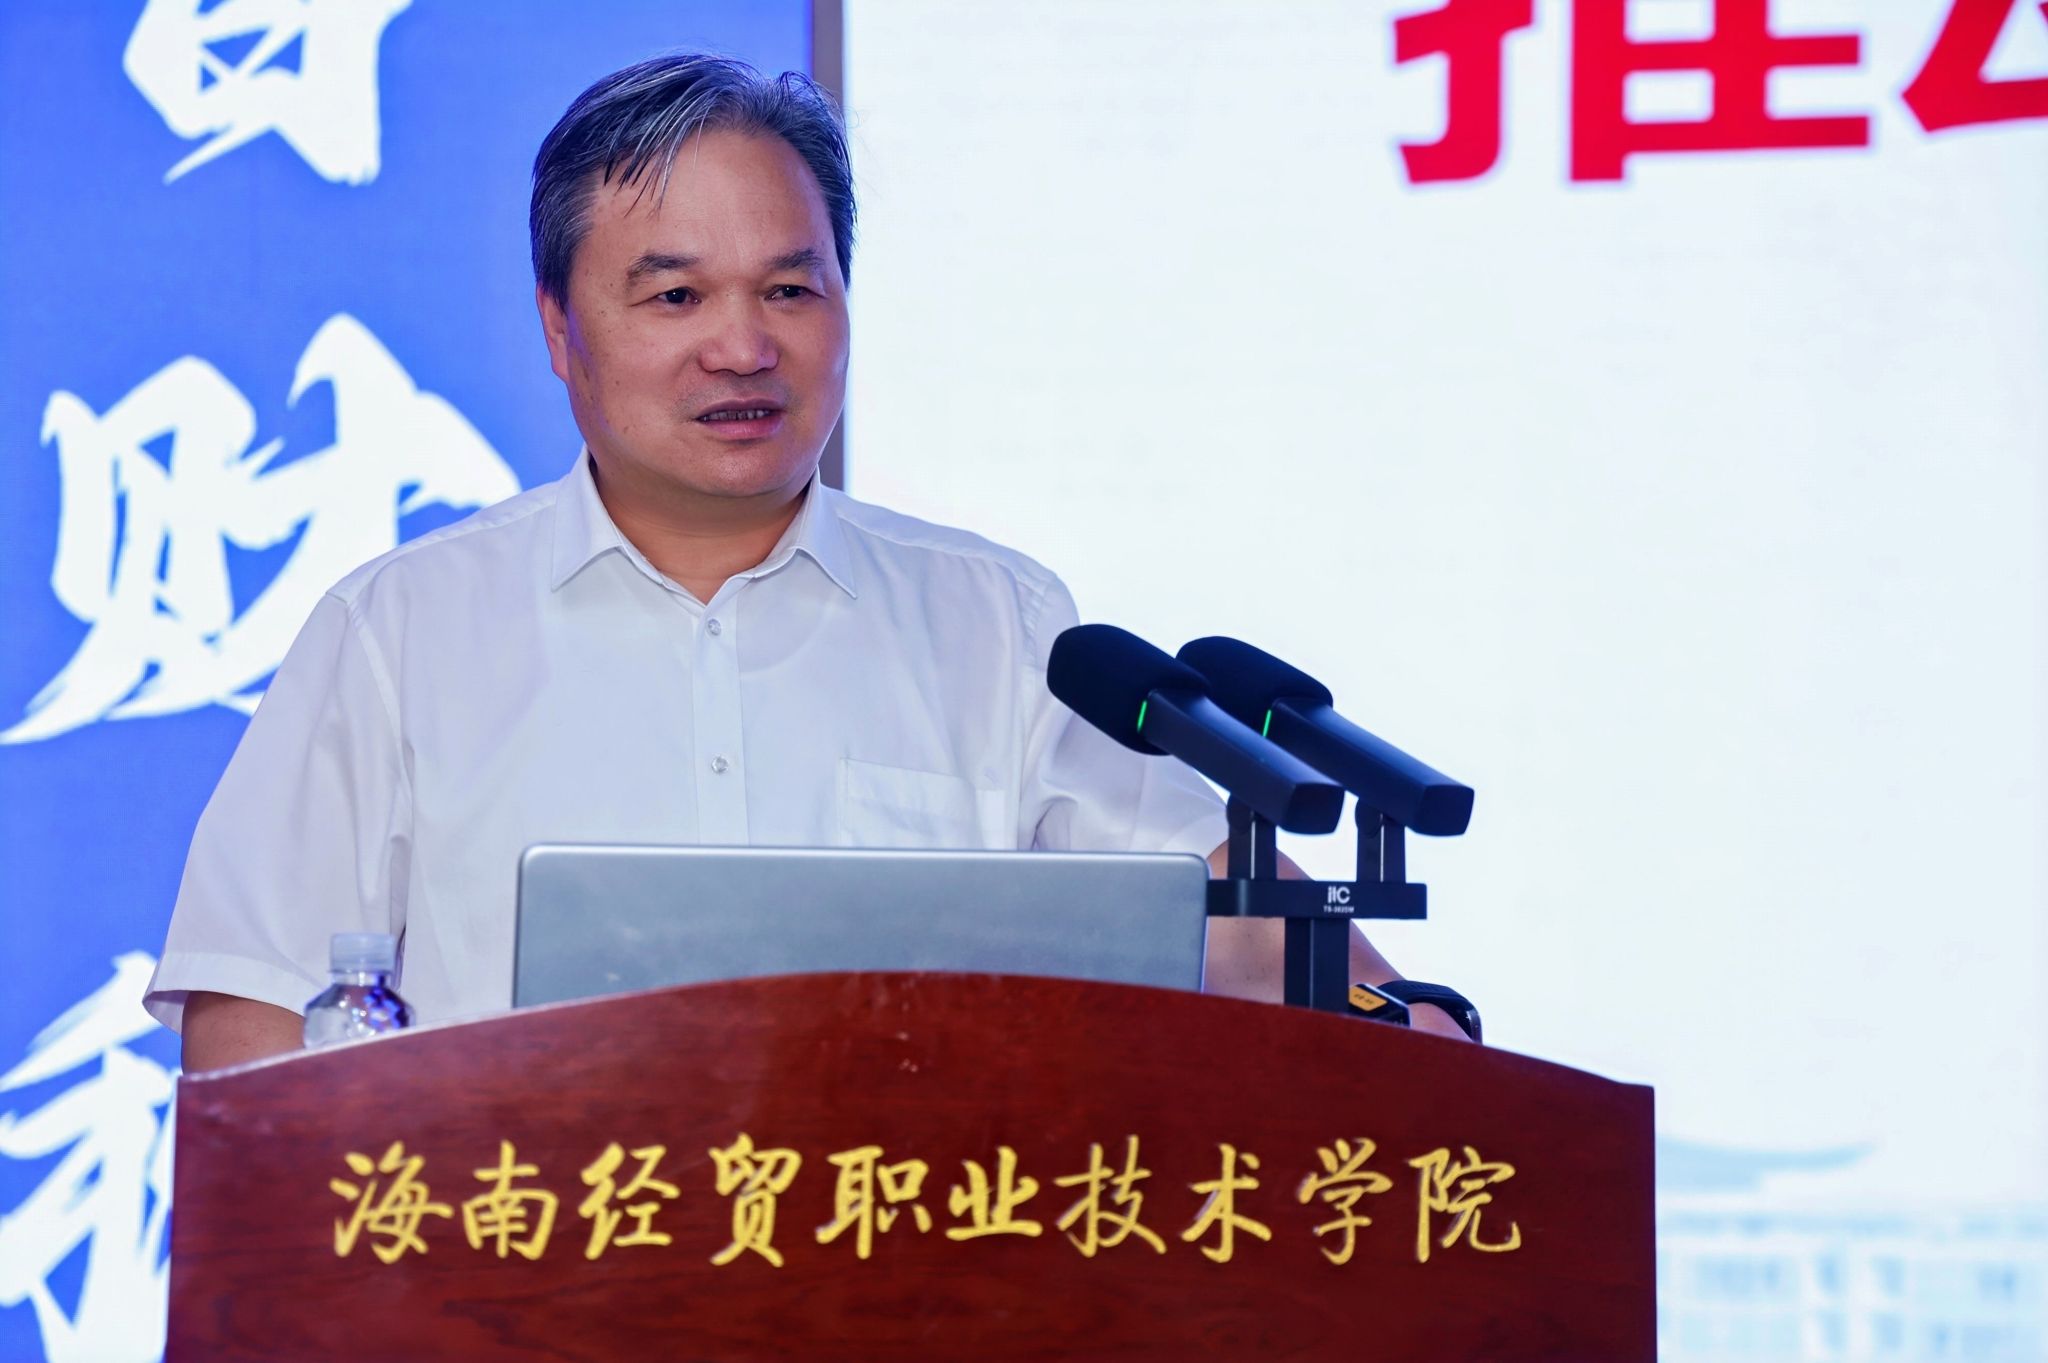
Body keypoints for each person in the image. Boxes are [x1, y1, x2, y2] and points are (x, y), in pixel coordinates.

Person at [147, 54, 1460, 1071]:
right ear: (558, 327)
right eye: (676, 296)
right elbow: (249, 1019)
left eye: (790, 289)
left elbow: (1232, 934)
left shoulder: (998, 626)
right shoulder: (400, 633)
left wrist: (1410, 1026)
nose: (744, 348)